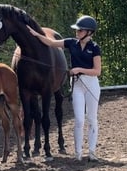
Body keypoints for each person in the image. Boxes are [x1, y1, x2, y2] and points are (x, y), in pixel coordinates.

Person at [27, 15, 102, 162]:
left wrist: (79, 69)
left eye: (80, 30)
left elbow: (97, 71)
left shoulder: (94, 48)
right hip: (77, 85)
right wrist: (35, 34)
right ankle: (78, 153)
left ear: (89, 32)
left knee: (92, 118)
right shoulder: (71, 43)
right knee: (79, 120)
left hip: (91, 84)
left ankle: (92, 152)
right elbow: (51, 42)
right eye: (77, 30)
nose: (77, 32)